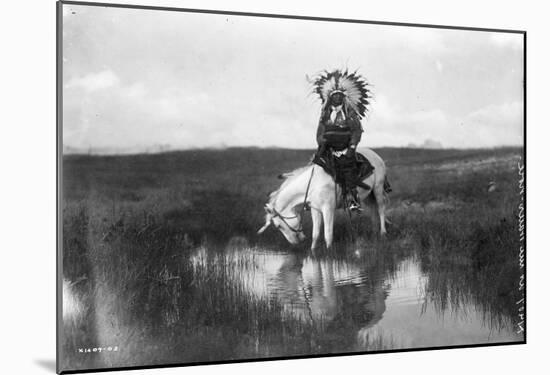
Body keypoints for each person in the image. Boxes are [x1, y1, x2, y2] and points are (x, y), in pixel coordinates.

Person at [311, 70, 372, 211]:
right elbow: (319, 132)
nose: (337, 97)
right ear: (330, 97)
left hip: (345, 149)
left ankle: (353, 199)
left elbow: (357, 131)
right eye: (334, 95)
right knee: (316, 166)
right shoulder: (325, 113)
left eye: (339, 95)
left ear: (343, 97)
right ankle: (313, 198)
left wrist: (351, 148)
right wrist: (322, 142)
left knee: (348, 170)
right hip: (328, 148)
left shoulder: (349, 113)